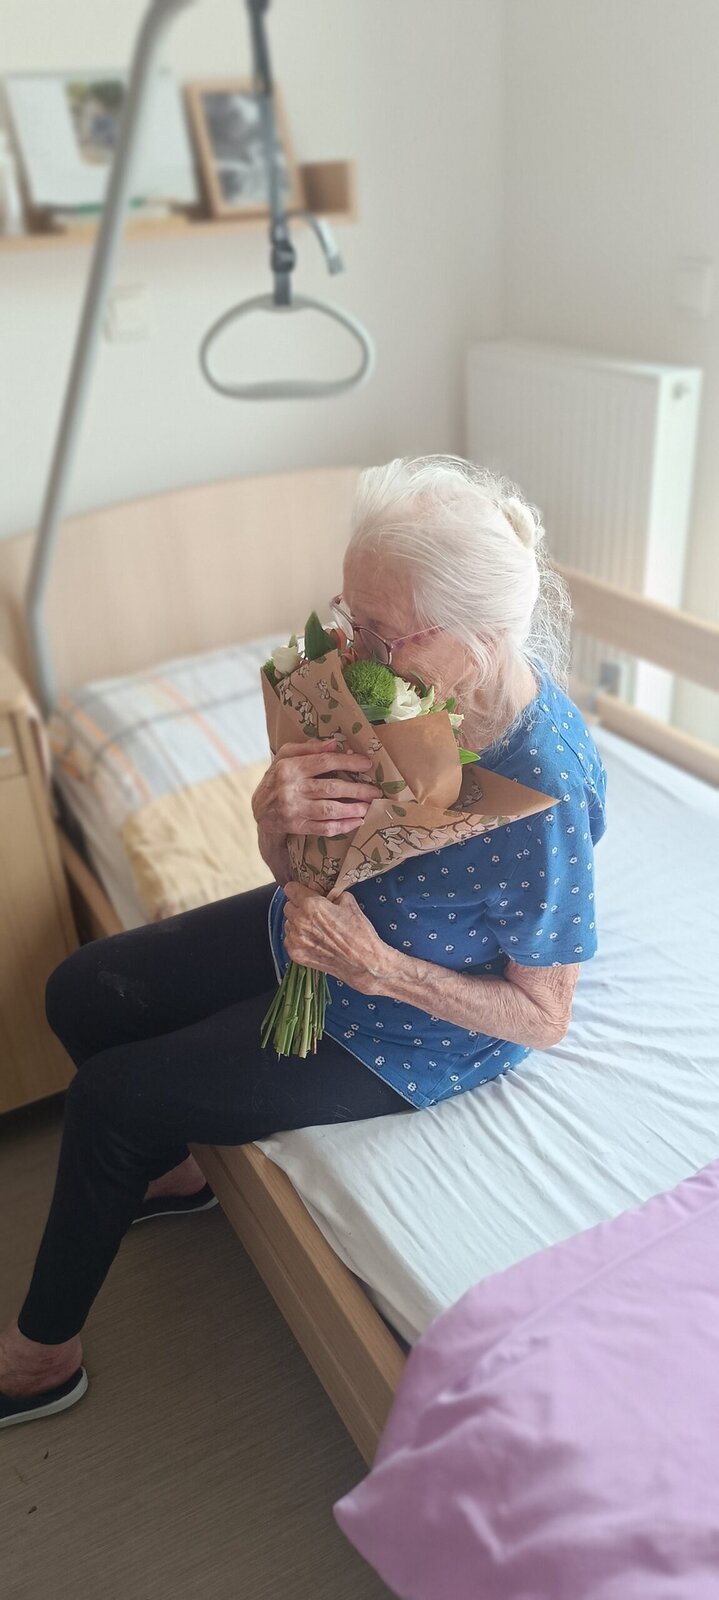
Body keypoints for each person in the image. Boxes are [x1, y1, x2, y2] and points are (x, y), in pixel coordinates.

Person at [0, 455, 606, 1428]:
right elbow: (298, 859)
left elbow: (544, 1015)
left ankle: (41, 1359)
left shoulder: (544, 791)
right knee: (79, 990)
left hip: (408, 1027)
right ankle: (173, 1176)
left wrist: (379, 968)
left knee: (109, 1098)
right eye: (347, 617)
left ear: (473, 642)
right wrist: (270, 810)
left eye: (379, 633)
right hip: (317, 926)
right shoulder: (394, 688)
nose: (351, 652)